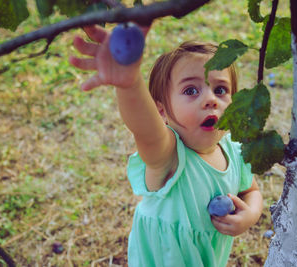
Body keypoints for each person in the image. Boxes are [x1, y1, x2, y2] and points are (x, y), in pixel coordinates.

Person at [70, 24, 263, 267]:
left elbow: (251, 191)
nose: (210, 100)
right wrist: (128, 83)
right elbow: (144, 128)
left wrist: (251, 215)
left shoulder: (234, 150)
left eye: (220, 89)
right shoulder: (169, 155)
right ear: (161, 110)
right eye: (191, 90)